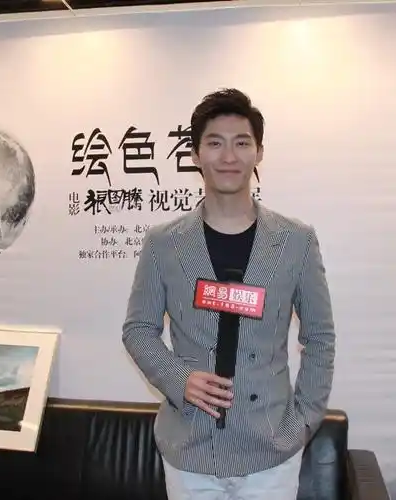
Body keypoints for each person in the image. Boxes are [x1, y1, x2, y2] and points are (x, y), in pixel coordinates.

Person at [122, 88, 336, 499]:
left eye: (242, 143)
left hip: (270, 453)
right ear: (194, 154)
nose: (228, 156)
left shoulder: (296, 241)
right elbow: (138, 330)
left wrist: (304, 421)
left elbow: (321, 337)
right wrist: (179, 378)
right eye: (215, 143)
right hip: (190, 450)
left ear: (259, 153)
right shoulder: (164, 243)